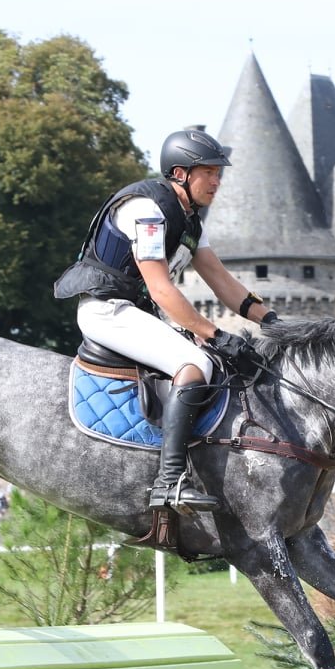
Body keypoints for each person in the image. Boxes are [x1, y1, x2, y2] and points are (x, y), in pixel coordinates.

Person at [53, 128, 277, 512]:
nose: (217, 181)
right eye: (208, 173)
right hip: (107, 310)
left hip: (136, 313)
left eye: (219, 173)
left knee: (223, 365)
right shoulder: (147, 211)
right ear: (180, 174)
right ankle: (169, 482)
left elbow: (222, 280)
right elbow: (160, 289)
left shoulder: (190, 222)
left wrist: (271, 320)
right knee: (195, 363)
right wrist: (214, 334)